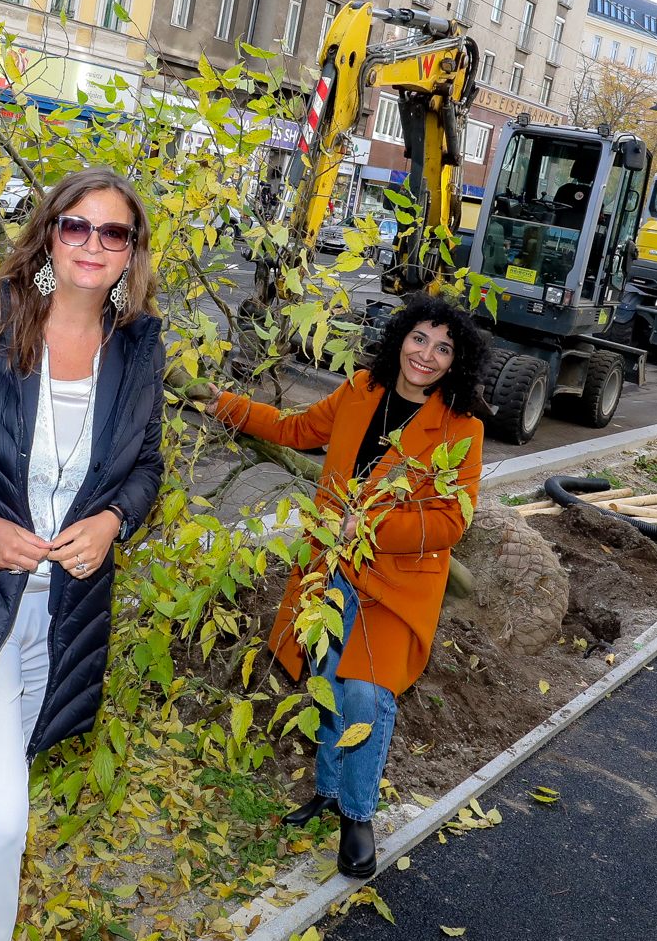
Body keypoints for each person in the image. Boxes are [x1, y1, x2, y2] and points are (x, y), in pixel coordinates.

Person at [0, 169, 166, 941]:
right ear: (49, 232)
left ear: (130, 251)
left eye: (113, 232)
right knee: (4, 814)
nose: (92, 244)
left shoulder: (139, 344)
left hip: (64, 611)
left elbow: (148, 465)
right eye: (76, 225)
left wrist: (115, 518)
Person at [198, 295, 486, 879]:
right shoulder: (360, 390)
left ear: (456, 362)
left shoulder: (462, 428)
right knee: (326, 679)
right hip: (330, 568)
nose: (426, 355)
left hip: (398, 582)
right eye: (419, 339)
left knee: (366, 694)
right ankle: (328, 791)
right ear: (400, 338)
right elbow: (295, 428)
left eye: (443, 348)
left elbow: (452, 521)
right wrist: (219, 403)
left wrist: (373, 524)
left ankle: (357, 814)